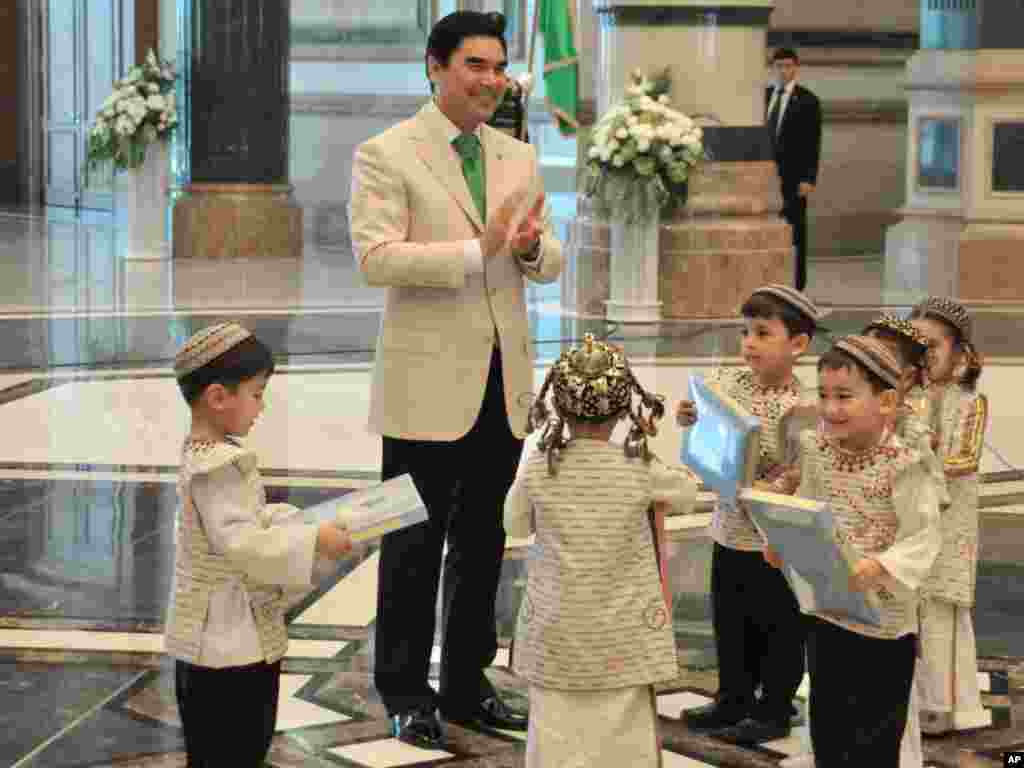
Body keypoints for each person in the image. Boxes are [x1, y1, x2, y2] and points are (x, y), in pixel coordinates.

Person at [347, 10, 564, 747]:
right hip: (423, 389)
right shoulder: (387, 153)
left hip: (502, 385)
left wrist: (532, 250)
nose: (493, 82)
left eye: (500, 68)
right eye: (476, 65)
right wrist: (476, 251)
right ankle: (405, 690)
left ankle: (469, 684)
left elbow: (549, 256)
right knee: (411, 545)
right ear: (435, 67)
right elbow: (377, 259)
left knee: (483, 545)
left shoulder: (517, 155)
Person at [163, 322, 354, 768]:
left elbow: (240, 526)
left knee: (222, 750)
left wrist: (295, 523)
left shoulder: (207, 453)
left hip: (220, 637)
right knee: (235, 747)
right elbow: (245, 547)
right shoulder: (219, 466)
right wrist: (314, 540)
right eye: (256, 393)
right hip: (227, 643)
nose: (261, 406)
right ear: (217, 397)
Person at [505, 334, 697, 767]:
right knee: (623, 731)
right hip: (623, 631)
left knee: (555, 726)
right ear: (624, 407)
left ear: (559, 405)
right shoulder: (637, 465)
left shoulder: (539, 465)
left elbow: (512, 523)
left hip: (556, 629)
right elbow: (685, 493)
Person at [770, 335, 941, 768]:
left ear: (885, 402)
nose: (830, 409)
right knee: (829, 724)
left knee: (873, 736)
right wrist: (784, 546)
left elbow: (923, 537)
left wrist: (877, 565)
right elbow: (808, 510)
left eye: (844, 396)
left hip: (883, 626)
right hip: (829, 612)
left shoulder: (904, 465)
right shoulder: (817, 450)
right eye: (824, 395)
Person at [675, 284, 825, 745]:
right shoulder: (729, 382)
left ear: (797, 345)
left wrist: (774, 483)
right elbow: (711, 428)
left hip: (773, 540)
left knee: (778, 626)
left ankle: (774, 707)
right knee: (732, 618)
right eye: (745, 332)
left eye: (763, 333)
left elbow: (804, 471)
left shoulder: (804, 409)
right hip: (728, 529)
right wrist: (692, 417)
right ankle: (733, 697)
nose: (750, 343)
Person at [910, 297, 991, 735]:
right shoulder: (909, 397)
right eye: (916, 345)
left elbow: (963, 458)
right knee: (913, 605)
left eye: (934, 345)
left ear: (959, 353)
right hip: (913, 516)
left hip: (950, 517)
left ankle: (947, 705)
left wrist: (916, 458)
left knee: (942, 608)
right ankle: (915, 701)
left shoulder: (968, 401)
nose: (925, 355)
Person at [766, 48, 822, 291]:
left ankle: (797, 284)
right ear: (773, 68)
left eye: (788, 66)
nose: (783, 71)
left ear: (796, 67)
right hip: (765, 176)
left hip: (794, 177)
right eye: (779, 66)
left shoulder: (807, 100)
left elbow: (813, 142)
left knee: (795, 229)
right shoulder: (764, 96)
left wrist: (809, 177)